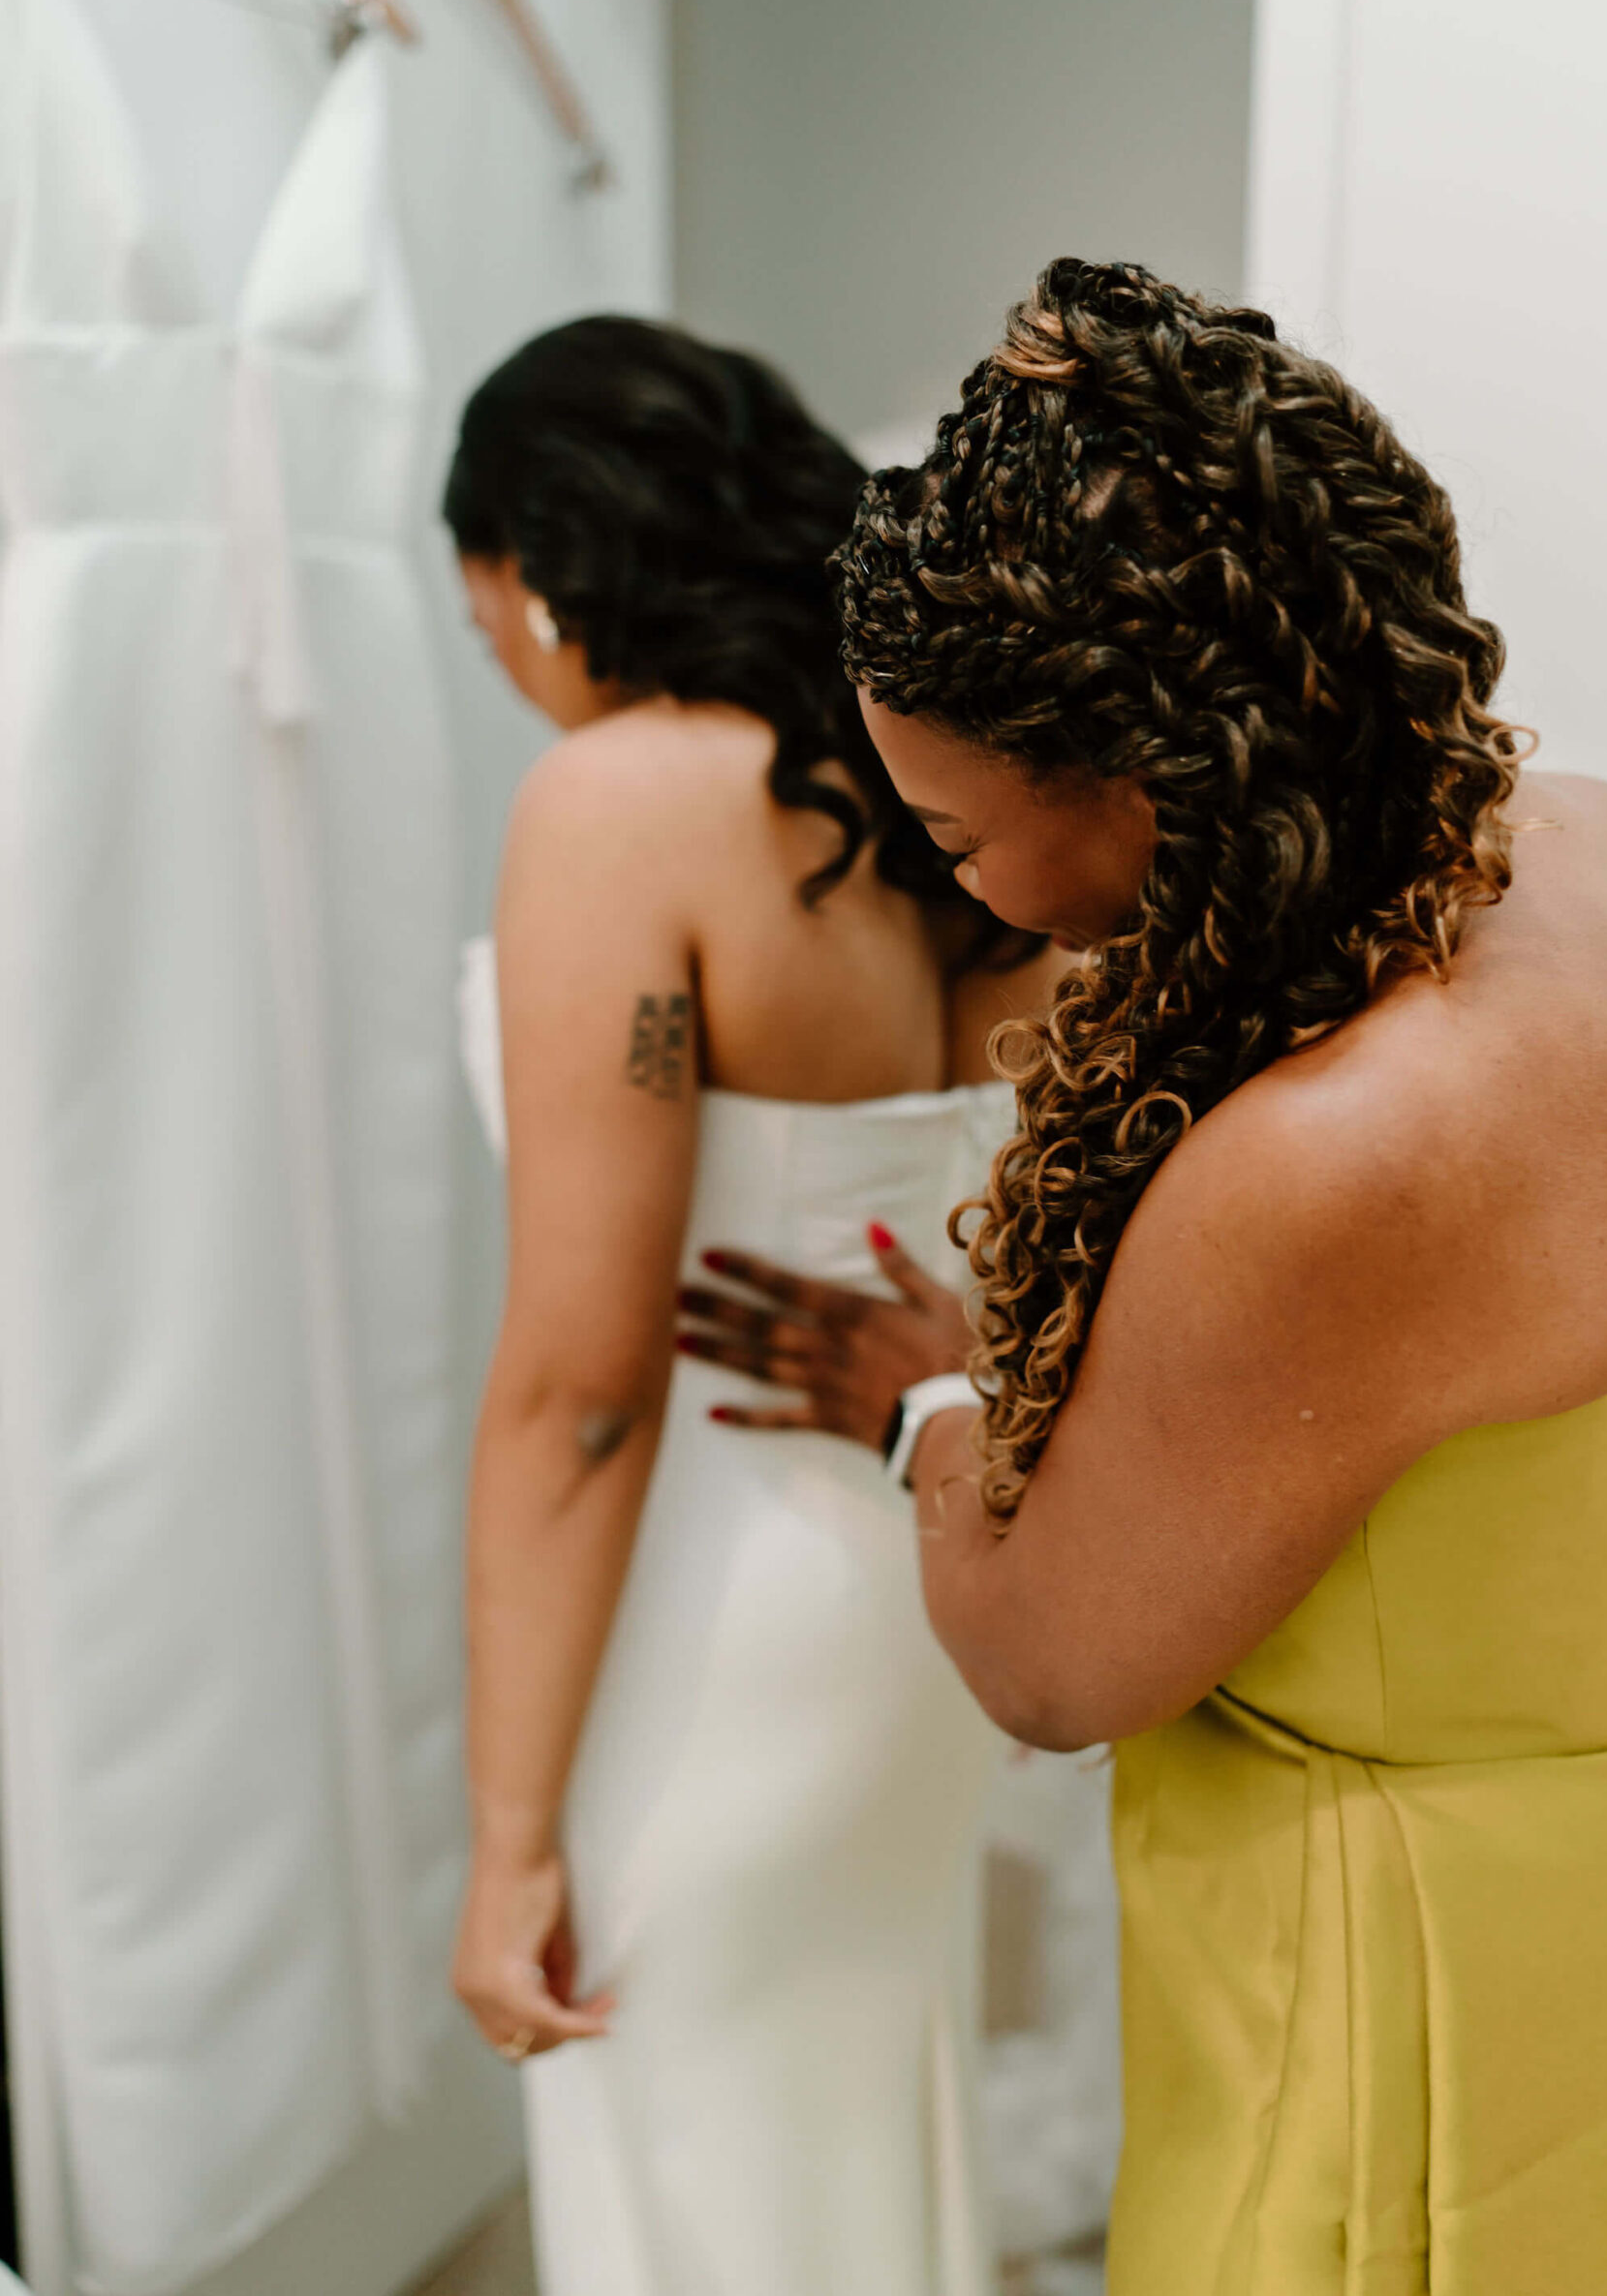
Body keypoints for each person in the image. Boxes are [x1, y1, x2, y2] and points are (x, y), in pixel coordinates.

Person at [688, 259, 1607, 2295]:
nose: (949, 878)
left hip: (1406, 2001)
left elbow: (1053, 1665)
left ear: (1148, 779)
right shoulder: (1592, 841)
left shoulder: (1333, 1158)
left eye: (951, 831)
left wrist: (931, 1404)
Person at [442, 317, 1062, 2296]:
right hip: (898, 1575)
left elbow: (584, 1380)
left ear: (532, 570)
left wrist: (506, 1828)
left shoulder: (620, 798)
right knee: (844, 2135)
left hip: (710, 1610)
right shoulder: (926, 789)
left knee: (692, 2168)